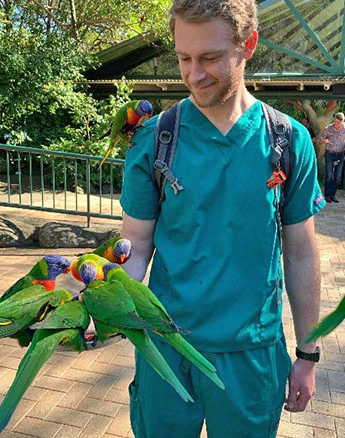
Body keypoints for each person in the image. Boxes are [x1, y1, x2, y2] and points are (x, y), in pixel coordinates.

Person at [120, 1, 326, 437]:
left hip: (252, 355)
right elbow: (135, 247)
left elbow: (302, 253)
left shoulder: (288, 141)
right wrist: (108, 307)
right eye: (183, 58)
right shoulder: (155, 139)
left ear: (247, 45)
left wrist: (307, 354)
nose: (193, 74)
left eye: (209, 57)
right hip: (166, 350)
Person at [319, 112, 345, 203]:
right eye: (335, 122)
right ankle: (327, 195)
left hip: (340, 155)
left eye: (339, 122)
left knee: (337, 176)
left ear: (342, 121)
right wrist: (324, 141)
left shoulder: (344, 129)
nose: (336, 124)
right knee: (329, 175)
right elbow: (320, 140)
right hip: (329, 154)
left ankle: (332, 195)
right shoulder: (328, 128)